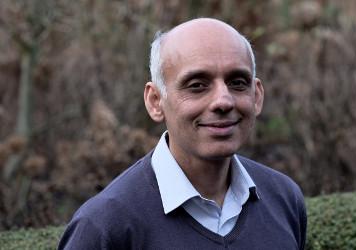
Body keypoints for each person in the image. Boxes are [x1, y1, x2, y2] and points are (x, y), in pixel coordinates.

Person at [58, 18, 307, 249]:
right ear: (155, 101)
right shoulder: (105, 227)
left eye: (237, 82)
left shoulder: (283, 199)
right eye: (197, 85)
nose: (223, 101)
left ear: (257, 96)